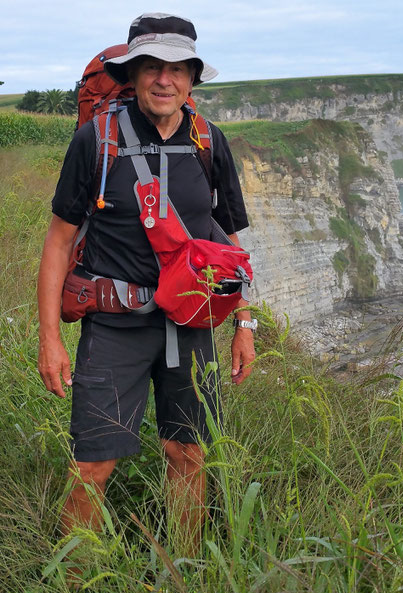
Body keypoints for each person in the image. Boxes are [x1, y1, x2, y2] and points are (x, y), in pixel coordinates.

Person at [37, 12, 256, 559]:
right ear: (132, 74)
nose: (165, 79)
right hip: (114, 327)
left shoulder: (208, 141)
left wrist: (245, 322)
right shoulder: (97, 140)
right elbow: (59, 242)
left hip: (191, 322)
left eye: (178, 68)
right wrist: (49, 338)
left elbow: (231, 242)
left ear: (192, 79)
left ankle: (183, 580)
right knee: (92, 465)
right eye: (152, 67)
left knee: (188, 455)